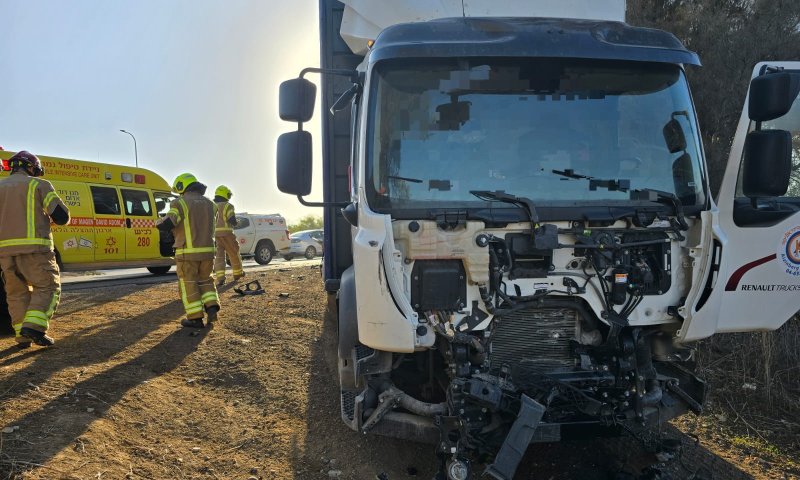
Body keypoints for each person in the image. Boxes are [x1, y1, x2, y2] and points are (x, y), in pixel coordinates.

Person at [0, 151, 70, 348]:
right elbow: (61, 217)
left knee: (16, 293)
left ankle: (22, 336)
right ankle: (34, 328)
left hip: (4, 253)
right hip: (35, 249)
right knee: (48, 286)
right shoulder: (40, 185)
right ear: (31, 167)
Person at [156, 173, 220, 328]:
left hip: (187, 252)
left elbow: (169, 222)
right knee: (206, 279)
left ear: (181, 187)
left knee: (188, 283)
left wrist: (157, 222)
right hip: (208, 252)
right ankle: (212, 307)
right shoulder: (212, 204)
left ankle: (195, 318)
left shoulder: (179, 203)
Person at [212, 185, 244, 286]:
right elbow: (231, 219)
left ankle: (220, 277)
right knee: (234, 253)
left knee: (219, 256)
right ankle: (238, 273)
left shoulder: (213, 206)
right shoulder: (228, 206)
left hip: (216, 235)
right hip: (227, 233)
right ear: (225, 194)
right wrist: (236, 222)